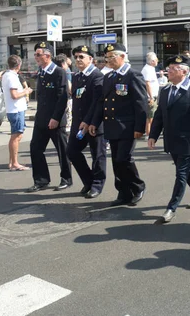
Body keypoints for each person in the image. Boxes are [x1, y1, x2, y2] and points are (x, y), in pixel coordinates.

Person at [148, 54, 190, 223]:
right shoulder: (165, 90)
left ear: (184, 72)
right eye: (168, 68)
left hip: (187, 140)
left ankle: (171, 207)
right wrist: (153, 135)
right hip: (171, 139)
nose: (168, 71)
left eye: (172, 69)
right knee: (185, 169)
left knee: (181, 173)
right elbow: (159, 116)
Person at [90, 43, 147, 207]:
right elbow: (103, 102)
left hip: (128, 126)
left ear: (122, 56)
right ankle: (123, 192)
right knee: (116, 160)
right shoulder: (108, 77)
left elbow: (141, 103)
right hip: (112, 126)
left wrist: (139, 128)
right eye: (106, 58)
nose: (108, 60)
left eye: (111, 57)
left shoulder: (133, 75)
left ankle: (138, 186)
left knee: (124, 158)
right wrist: (95, 122)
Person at [27, 42, 72, 192]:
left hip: (55, 120)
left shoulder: (59, 72)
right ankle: (41, 180)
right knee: (35, 148)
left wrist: (56, 118)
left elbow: (62, 97)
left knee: (62, 150)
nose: (36, 57)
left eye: (38, 54)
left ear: (48, 55)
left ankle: (66, 178)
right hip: (41, 119)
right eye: (35, 55)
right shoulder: (41, 72)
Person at [67, 45, 107, 199]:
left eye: (81, 57)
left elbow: (98, 102)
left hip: (94, 124)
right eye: (76, 57)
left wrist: (88, 121)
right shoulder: (77, 76)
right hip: (79, 123)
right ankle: (88, 181)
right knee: (72, 151)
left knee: (97, 155)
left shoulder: (97, 76)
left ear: (91, 59)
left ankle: (97, 185)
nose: (78, 59)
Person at [2, 55, 32, 171]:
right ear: (19, 65)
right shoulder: (11, 77)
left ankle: (12, 162)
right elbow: (14, 95)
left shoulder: (8, 75)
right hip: (16, 109)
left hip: (15, 109)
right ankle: (14, 163)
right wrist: (26, 91)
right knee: (16, 135)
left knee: (17, 135)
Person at [141, 52, 160, 137]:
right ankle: (149, 134)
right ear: (152, 61)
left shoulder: (151, 68)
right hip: (150, 97)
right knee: (150, 117)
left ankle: (149, 133)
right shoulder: (147, 69)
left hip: (153, 96)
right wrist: (151, 97)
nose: (157, 61)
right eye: (156, 59)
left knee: (151, 116)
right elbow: (147, 84)